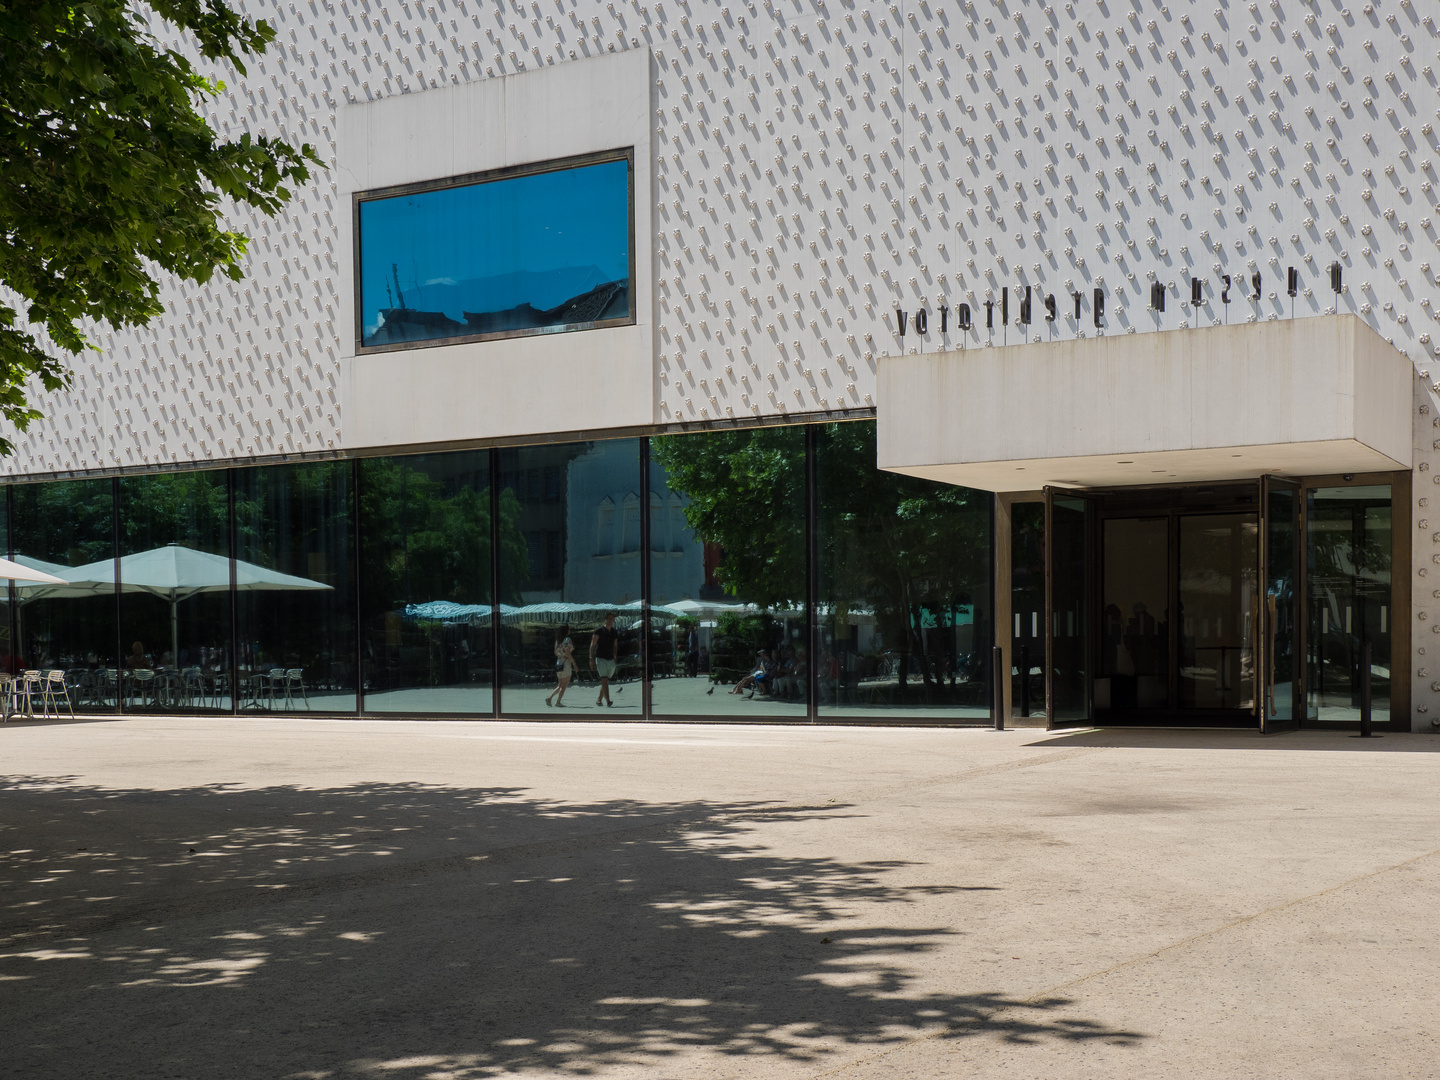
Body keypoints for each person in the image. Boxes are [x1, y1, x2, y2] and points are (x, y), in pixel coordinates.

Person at [590, 611, 619, 707]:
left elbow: (615, 645)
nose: (611, 621)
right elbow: (593, 645)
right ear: (605, 620)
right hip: (600, 657)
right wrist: (591, 659)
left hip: (610, 658)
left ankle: (599, 699)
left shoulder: (614, 632)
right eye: (609, 619)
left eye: (612, 619)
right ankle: (608, 701)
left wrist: (615, 656)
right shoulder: (598, 631)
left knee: (606, 680)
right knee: (604, 679)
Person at [546, 624, 576, 707]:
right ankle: (558, 702)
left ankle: (550, 698)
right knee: (564, 685)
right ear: (566, 631)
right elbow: (568, 652)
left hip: (559, 662)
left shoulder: (558, 641)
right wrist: (574, 663)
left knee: (560, 684)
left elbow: (555, 653)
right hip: (566, 662)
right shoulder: (567, 640)